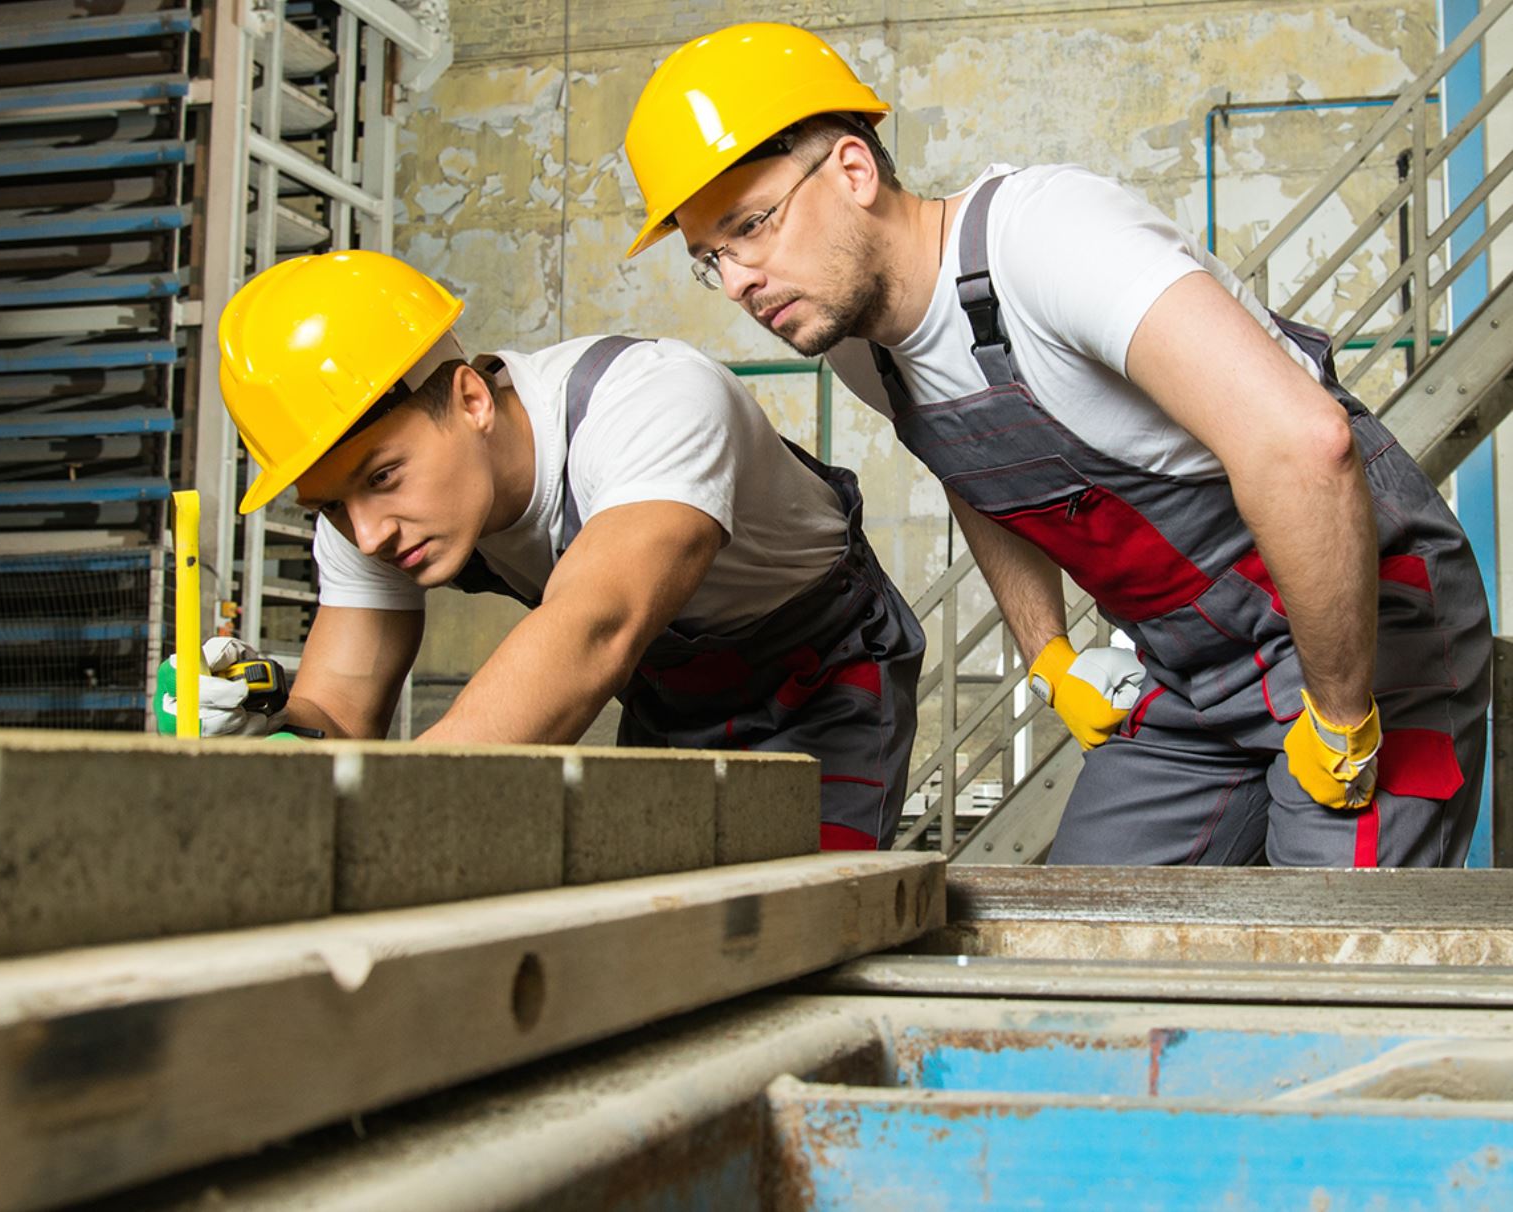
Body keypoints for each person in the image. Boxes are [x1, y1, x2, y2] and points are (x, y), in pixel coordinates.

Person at [619, 22, 1491, 867]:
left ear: (851, 168)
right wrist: (1050, 659)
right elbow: (971, 473)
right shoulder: (862, 348)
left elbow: (1306, 446)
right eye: (710, 259)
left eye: (751, 225)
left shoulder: (1045, 237)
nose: (736, 281)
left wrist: (1341, 719)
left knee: (1321, 961)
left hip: (1358, 635)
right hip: (1192, 672)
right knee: (1085, 932)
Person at [165, 249, 926, 850]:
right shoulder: (372, 518)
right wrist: (268, 732)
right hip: (670, 692)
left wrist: (391, 812)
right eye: (331, 506)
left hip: (823, 674)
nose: (367, 533)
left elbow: (595, 625)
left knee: (803, 926)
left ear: (468, 399)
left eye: (383, 477)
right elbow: (337, 711)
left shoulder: (648, 401)